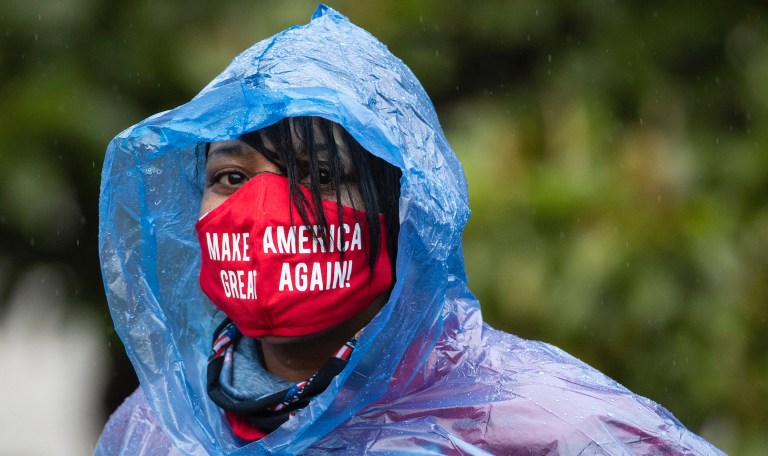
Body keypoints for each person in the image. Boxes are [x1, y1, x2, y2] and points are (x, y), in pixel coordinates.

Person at [96, 6, 723, 455]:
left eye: (320, 174)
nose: (264, 209)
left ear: (408, 209)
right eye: (231, 177)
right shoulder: (155, 433)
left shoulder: (541, 429)